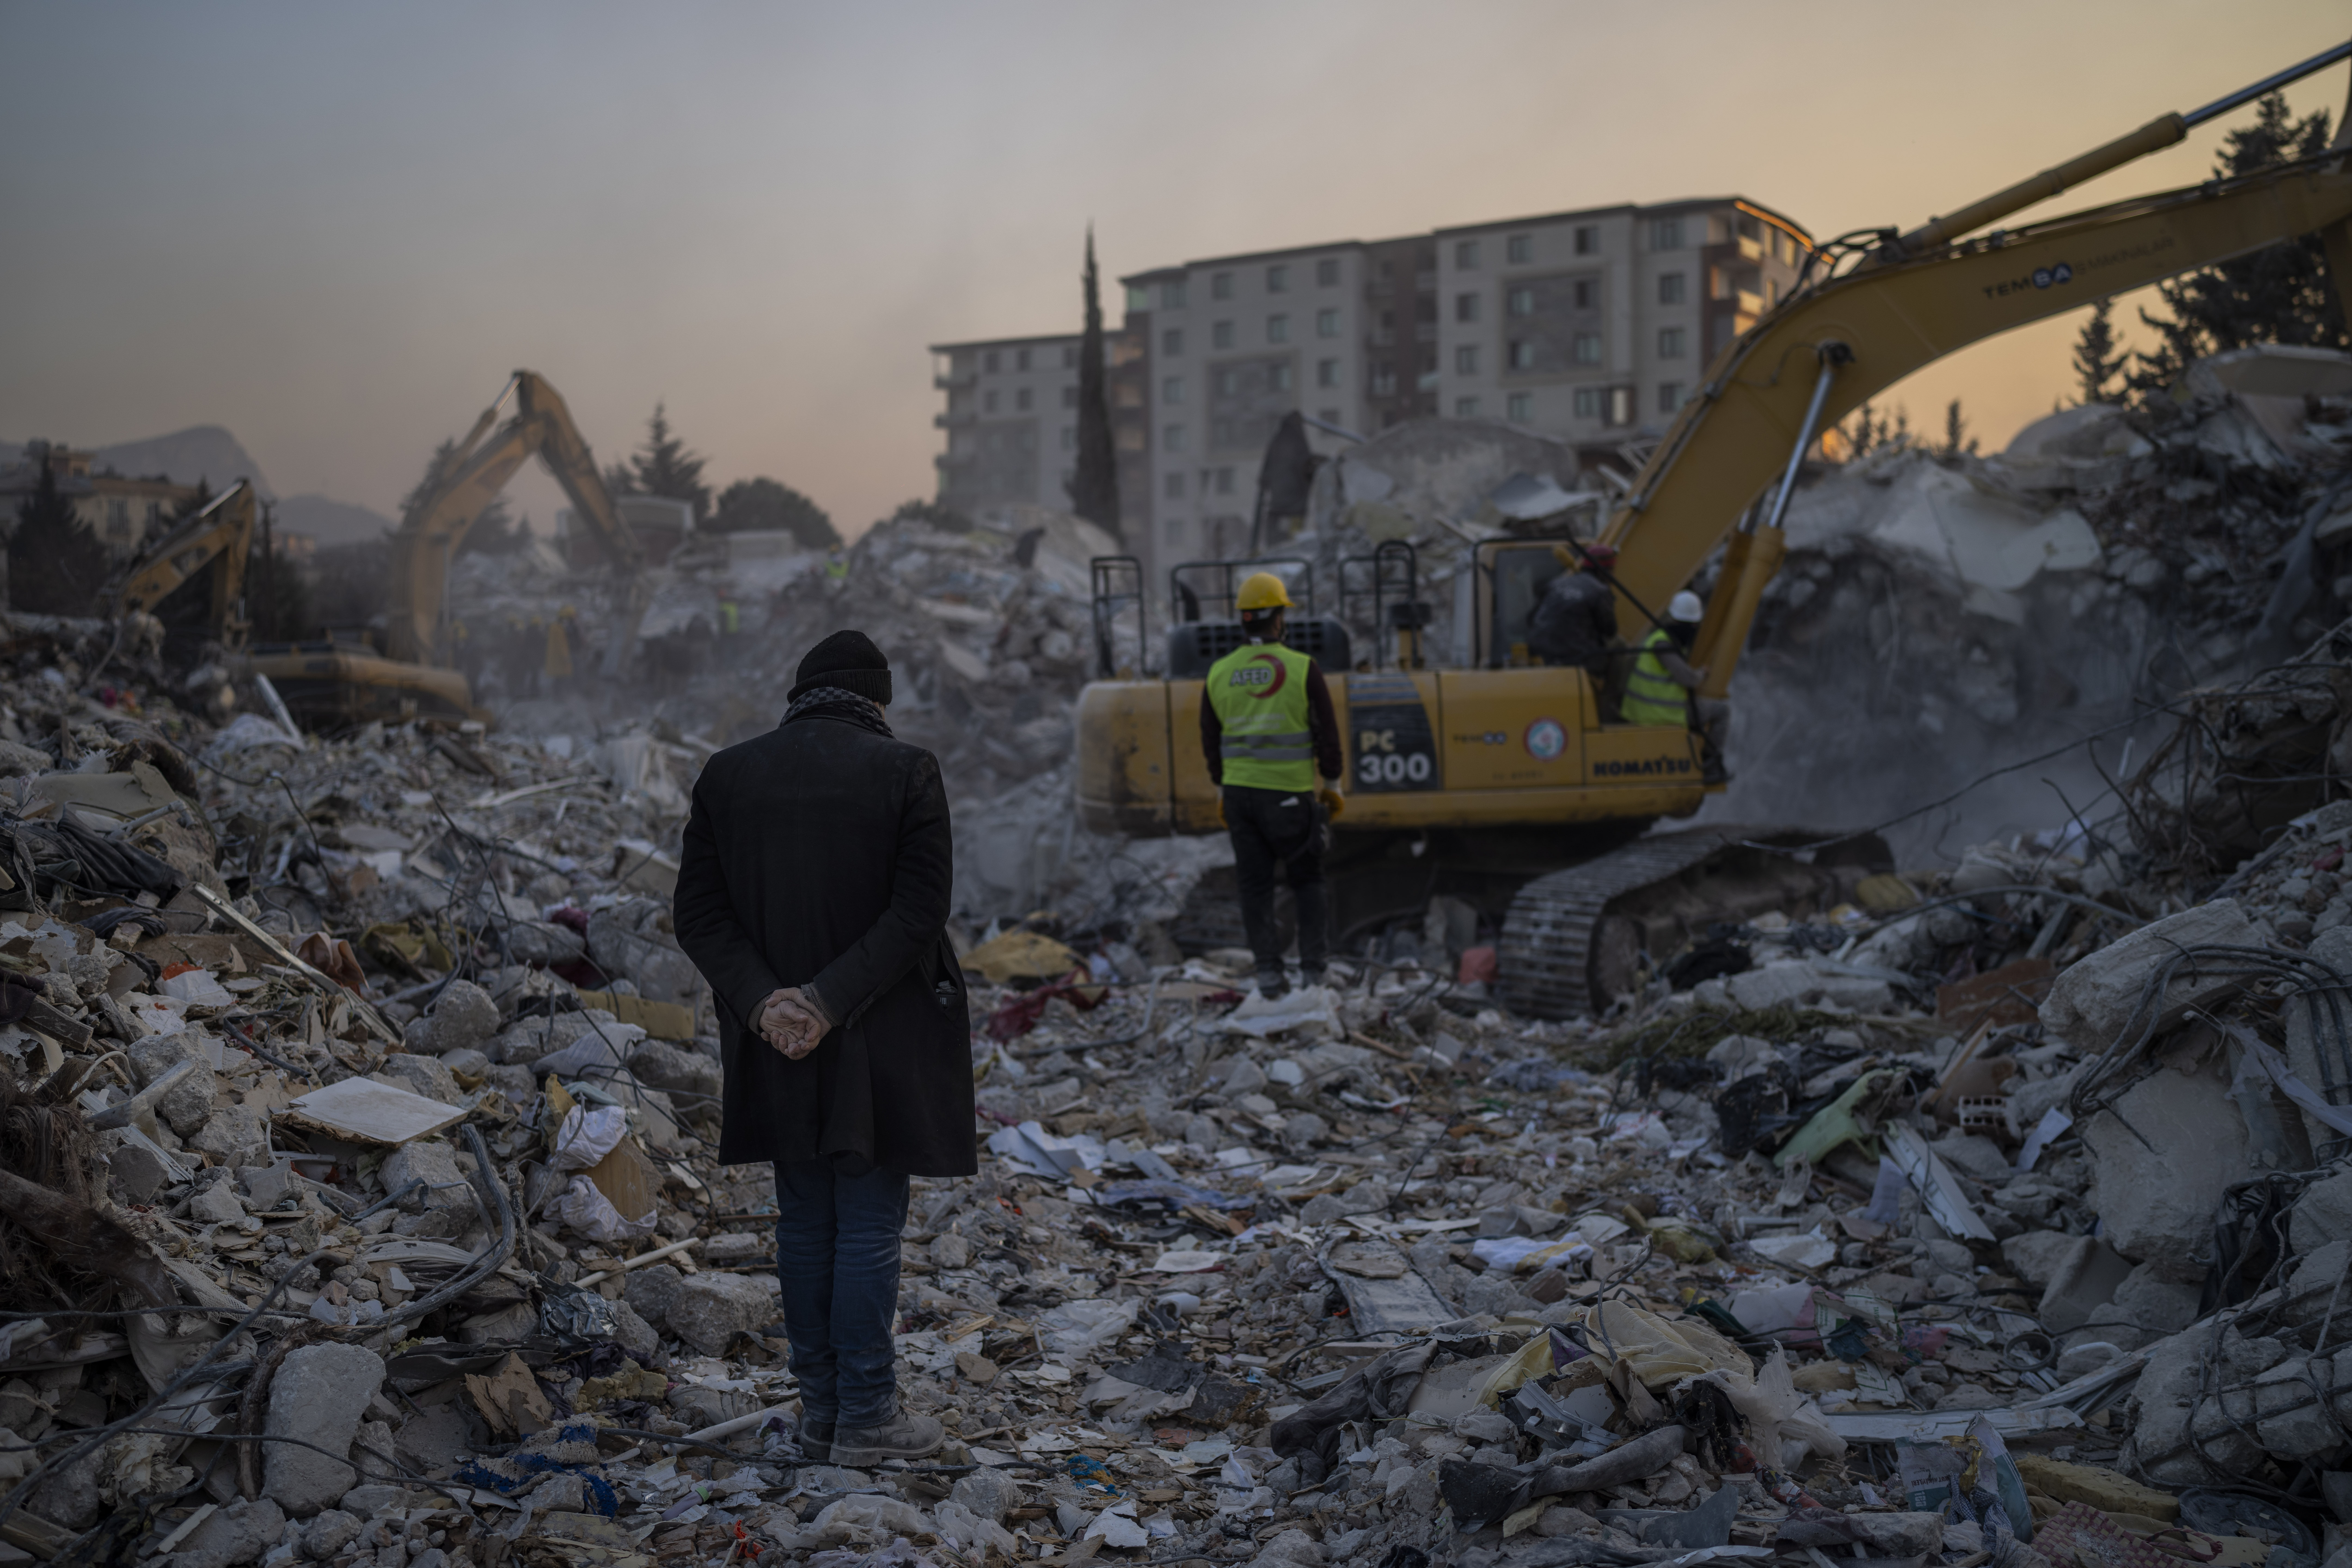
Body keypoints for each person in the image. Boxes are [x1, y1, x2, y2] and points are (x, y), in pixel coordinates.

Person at [673, 630, 972, 1468]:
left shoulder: (728, 775)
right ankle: (870, 1419)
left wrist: (771, 1002)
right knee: (869, 1225)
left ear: (800, 692)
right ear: (876, 700)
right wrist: (829, 1001)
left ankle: (821, 1416)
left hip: (774, 1041)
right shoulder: (906, 770)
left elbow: (698, 915)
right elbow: (920, 911)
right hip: (873, 1038)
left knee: (804, 1222)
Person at [1199, 572, 1345, 998]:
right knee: (1308, 879)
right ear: (1278, 619)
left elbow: (1212, 742)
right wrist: (1332, 786)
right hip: (1289, 796)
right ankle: (1315, 973)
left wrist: (1223, 790)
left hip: (1241, 798)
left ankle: (1268, 974)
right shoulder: (1303, 669)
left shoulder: (1219, 673)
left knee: (1255, 884)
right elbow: (1328, 736)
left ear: (1244, 620)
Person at [1619, 590, 1731, 784]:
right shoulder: (1665, 646)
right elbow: (1689, 679)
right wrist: (1702, 674)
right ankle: (1710, 765)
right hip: (1661, 713)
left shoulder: (1661, 639)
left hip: (1642, 711)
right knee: (1722, 711)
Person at [1527, 542, 1620, 676]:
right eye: (1612, 571)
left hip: (1539, 650)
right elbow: (1610, 631)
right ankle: (1610, 694)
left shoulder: (1556, 584)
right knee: (1619, 645)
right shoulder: (1600, 591)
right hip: (1575, 657)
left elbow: (1531, 619)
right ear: (1605, 571)